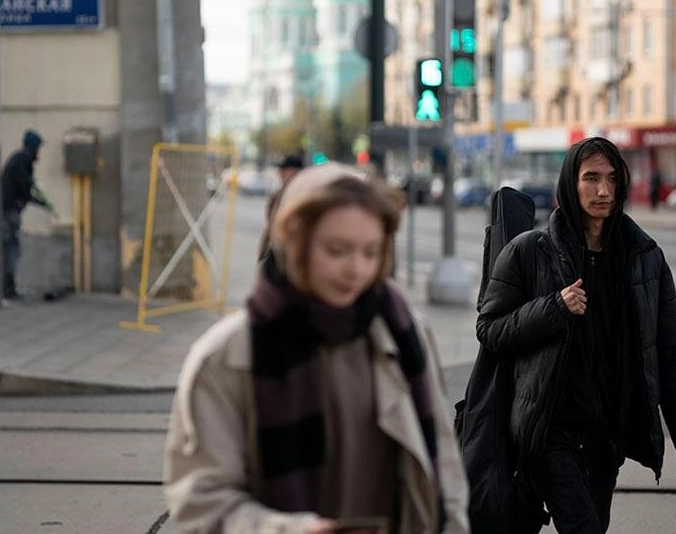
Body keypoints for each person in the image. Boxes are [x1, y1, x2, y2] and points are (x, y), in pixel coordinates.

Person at [165, 163, 469, 532]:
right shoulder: (227, 355)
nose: (356, 270)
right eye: (337, 250)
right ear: (294, 243)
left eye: (371, 252)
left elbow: (445, 473)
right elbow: (202, 501)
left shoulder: (404, 333)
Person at [475, 137, 676, 533]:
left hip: (607, 435)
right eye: (591, 178)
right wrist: (554, 308)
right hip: (549, 429)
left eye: (612, 179)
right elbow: (490, 328)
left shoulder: (643, 257)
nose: (603, 190)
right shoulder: (531, 252)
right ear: (571, 183)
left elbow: (672, 354)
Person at [0, 129, 53, 301]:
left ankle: (8, 289)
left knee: (10, 249)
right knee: (11, 250)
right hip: (10, 212)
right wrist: (41, 202)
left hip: (9, 210)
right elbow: (25, 188)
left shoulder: (20, 160)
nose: (39, 152)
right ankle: (8, 290)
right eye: (38, 148)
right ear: (33, 147)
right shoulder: (22, 161)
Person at [257, 153, 304, 259]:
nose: (280, 173)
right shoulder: (277, 196)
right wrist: (264, 247)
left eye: (285, 170)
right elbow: (271, 225)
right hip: (274, 253)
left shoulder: (304, 198)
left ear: (298, 172)